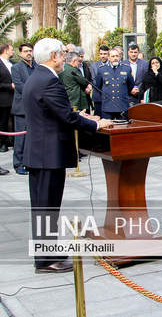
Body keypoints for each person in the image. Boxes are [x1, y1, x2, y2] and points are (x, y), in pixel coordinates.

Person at [24, 38, 111, 273]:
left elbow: (54, 113)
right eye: (62, 53)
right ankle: (45, 260)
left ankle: (48, 252)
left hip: (41, 153)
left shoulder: (38, 77)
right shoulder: (48, 81)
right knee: (46, 209)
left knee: (45, 208)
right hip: (47, 155)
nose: (65, 57)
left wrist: (82, 117)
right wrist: (96, 124)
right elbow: (66, 117)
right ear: (53, 56)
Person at [10, 43, 36, 176]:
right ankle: (18, 164)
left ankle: (30, 162)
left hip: (36, 108)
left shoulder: (37, 67)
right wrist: (36, 92)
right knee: (20, 138)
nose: (28, 53)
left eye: (30, 50)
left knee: (33, 137)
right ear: (20, 53)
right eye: (25, 51)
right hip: (22, 108)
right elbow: (19, 86)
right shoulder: (16, 68)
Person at [95, 48, 136, 119]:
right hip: (108, 105)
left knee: (123, 125)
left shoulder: (127, 68)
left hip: (122, 104)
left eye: (117, 56)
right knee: (107, 125)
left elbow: (131, 85)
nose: (115, 58)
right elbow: (98, 86)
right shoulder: (102, 69)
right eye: (113, 56)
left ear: (120, 57)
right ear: (108, 57)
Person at [0, 43, 14, 153]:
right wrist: (10, 86)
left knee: (14, 121)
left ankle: (13, 141)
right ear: (5, 51)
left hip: (15, 99)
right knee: (3, 122)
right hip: (3, 99)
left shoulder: (12, 63)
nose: (13, 51)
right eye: (11, 49)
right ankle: (2, 143)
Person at [90, 45, 110, 117]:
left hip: (110, 98)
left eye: (105, 54)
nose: (103, 56)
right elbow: (94, 81)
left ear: (108, 54)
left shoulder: (112, 65)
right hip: (98, 97)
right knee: (98, 117)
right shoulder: (94, 66)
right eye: (101, 54)